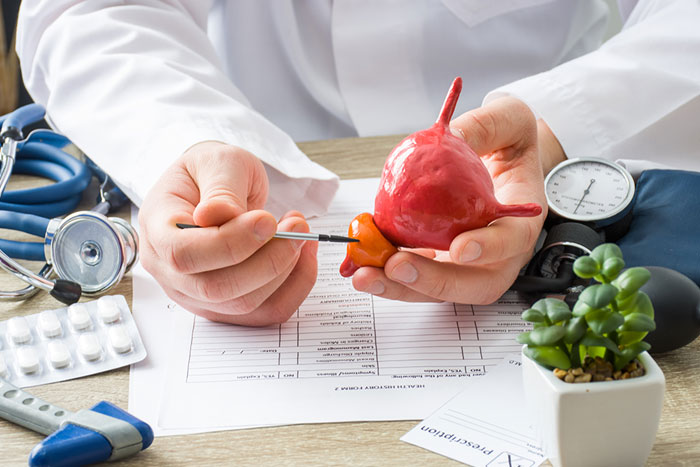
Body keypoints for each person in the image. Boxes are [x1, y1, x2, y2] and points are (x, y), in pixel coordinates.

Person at [15, 1, 700, 326]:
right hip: (261, 162)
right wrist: (185, 141)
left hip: (563, 184)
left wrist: (556, 122)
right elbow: (88, 11)